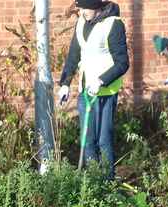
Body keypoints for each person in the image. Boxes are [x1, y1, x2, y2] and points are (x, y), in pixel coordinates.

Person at [57, 0, 129, 180]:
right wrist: (65, 83)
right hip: (85, 91)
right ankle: (94, 182)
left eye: (84, 7)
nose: (81, 11)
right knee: (87, 140)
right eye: (79, 7)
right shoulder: (81, 22)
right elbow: (74, 54)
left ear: (96, 6)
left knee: (103, 140)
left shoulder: (113, 25)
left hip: (105, 93)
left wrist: (102, 80)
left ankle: (108, 182)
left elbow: (122, 63)